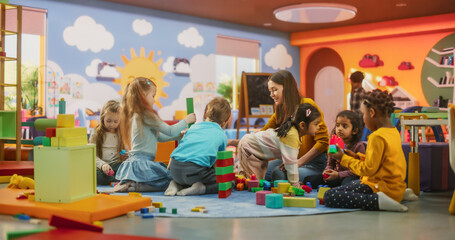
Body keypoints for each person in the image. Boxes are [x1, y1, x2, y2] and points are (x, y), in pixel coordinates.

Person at [324, 89, 418, 212]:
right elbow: (381, 162)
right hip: (395, 187)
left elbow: (368, 169)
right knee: (351, 185)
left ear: (372, 113)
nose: (363, 118)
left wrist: (343, 158)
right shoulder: (393, 132)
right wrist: (357, 157)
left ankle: (378, 201)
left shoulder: (376, 136)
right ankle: (402, 195)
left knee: (330, 196)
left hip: (380, 187)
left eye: (363, 114)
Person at [114, 77, 196, 192]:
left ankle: (134, 184)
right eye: (153, 96)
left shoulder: (136, 115)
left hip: (136, 162)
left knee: (165, 179)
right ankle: (136, 186)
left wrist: (180, 136)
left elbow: (159, 137)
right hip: (142, 162)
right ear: (143, 95)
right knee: (169, 180)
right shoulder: (146, 115)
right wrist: (185, 121)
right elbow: (170, 131)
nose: (154, 100)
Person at [262, 70, 329, 183]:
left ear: (287, 88)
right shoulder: (280, 110)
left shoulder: (307, 106)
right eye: (270, 91)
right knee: (261, 170)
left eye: (275, 90)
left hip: (312, 162)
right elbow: (263, 132)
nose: (271, 94)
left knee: (279, 174)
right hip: (291, 158)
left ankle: (317, 177)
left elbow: (323, 141)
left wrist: (298, 163)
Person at [235, 103, 322, 188]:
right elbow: (291, 164)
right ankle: (236, 174)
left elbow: (290, 160)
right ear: (302, 125)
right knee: (251, 183)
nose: (319, 127)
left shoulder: (295, 134)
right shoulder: (291, 136)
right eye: (316, 124)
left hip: (256, 152)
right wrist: (295, 185)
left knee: (257, 182)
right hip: (249, 148)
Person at [165, 97, 231, 196]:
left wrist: (170, 171)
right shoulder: (222, 135)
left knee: (187, 176)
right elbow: (218, 166)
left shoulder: (193, 128)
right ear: (224, 123)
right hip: (195, 172)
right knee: (228, 181)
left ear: (204, 115)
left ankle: (175, 184)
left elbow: (180, 148)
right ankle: (202, 188)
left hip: (175, 170)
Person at [304, 110, 365, 188]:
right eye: (337, 125)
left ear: (354, 131)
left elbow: (358, 171)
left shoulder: (359, 146)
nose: (339, 129)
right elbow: (330, 164)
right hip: (336, 176)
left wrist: (339, 175)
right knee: (308, 180)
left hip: (349, 177)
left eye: (344, 126)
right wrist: (327, 171)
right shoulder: (334, 144)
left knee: (347, 184)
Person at [89, 100, 127, 185]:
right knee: (95, 176)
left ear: (120, 120)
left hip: (117, 165)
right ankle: (118, 179)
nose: (112, 124)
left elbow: (124, 150)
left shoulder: (121, 133)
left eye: (115, 122)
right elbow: (92, 155)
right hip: (101, 167)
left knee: (129, 167)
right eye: (108, 121)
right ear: (103, 118)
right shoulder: (97, 133)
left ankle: (114, 178)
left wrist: (126, 155)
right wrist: (102, 165)